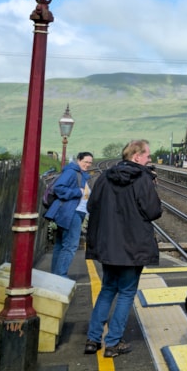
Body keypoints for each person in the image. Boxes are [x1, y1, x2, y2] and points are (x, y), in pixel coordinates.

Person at [83, 139, 162, 358]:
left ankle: (92, 339)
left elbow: (91, 206)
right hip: (133, 246)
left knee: (108, 289)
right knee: (127, 292)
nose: (150, 159)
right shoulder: (143, 179)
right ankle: (113, 343)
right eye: (147, 156)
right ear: (137, 157)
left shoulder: (104, 178)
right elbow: (153, 211)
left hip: (108, 245)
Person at [45, 152, 94, 276]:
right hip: (71, 213)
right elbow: (59, 188)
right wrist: (77, 192)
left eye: (90, 163)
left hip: (73, 212)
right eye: (85, 161)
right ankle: (61, 275)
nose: (87, 164)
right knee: (71, 245)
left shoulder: (80, 174)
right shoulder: (72, 172)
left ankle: (56, 275)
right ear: (78, 160)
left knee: (61, 244)